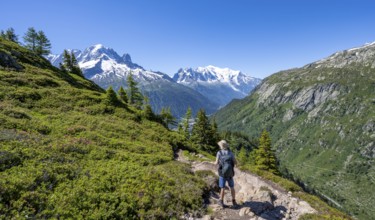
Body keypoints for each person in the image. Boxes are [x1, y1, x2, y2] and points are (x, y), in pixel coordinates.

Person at [215, 140, 238, 208]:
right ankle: (234, 201)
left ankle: (221, 201)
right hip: (230, 174)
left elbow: (216, 163)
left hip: (222, 173)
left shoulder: (219, 153)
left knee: (222, 188)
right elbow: (235, 162)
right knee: (232, 187)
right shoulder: (230, 153)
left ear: (221, 146)